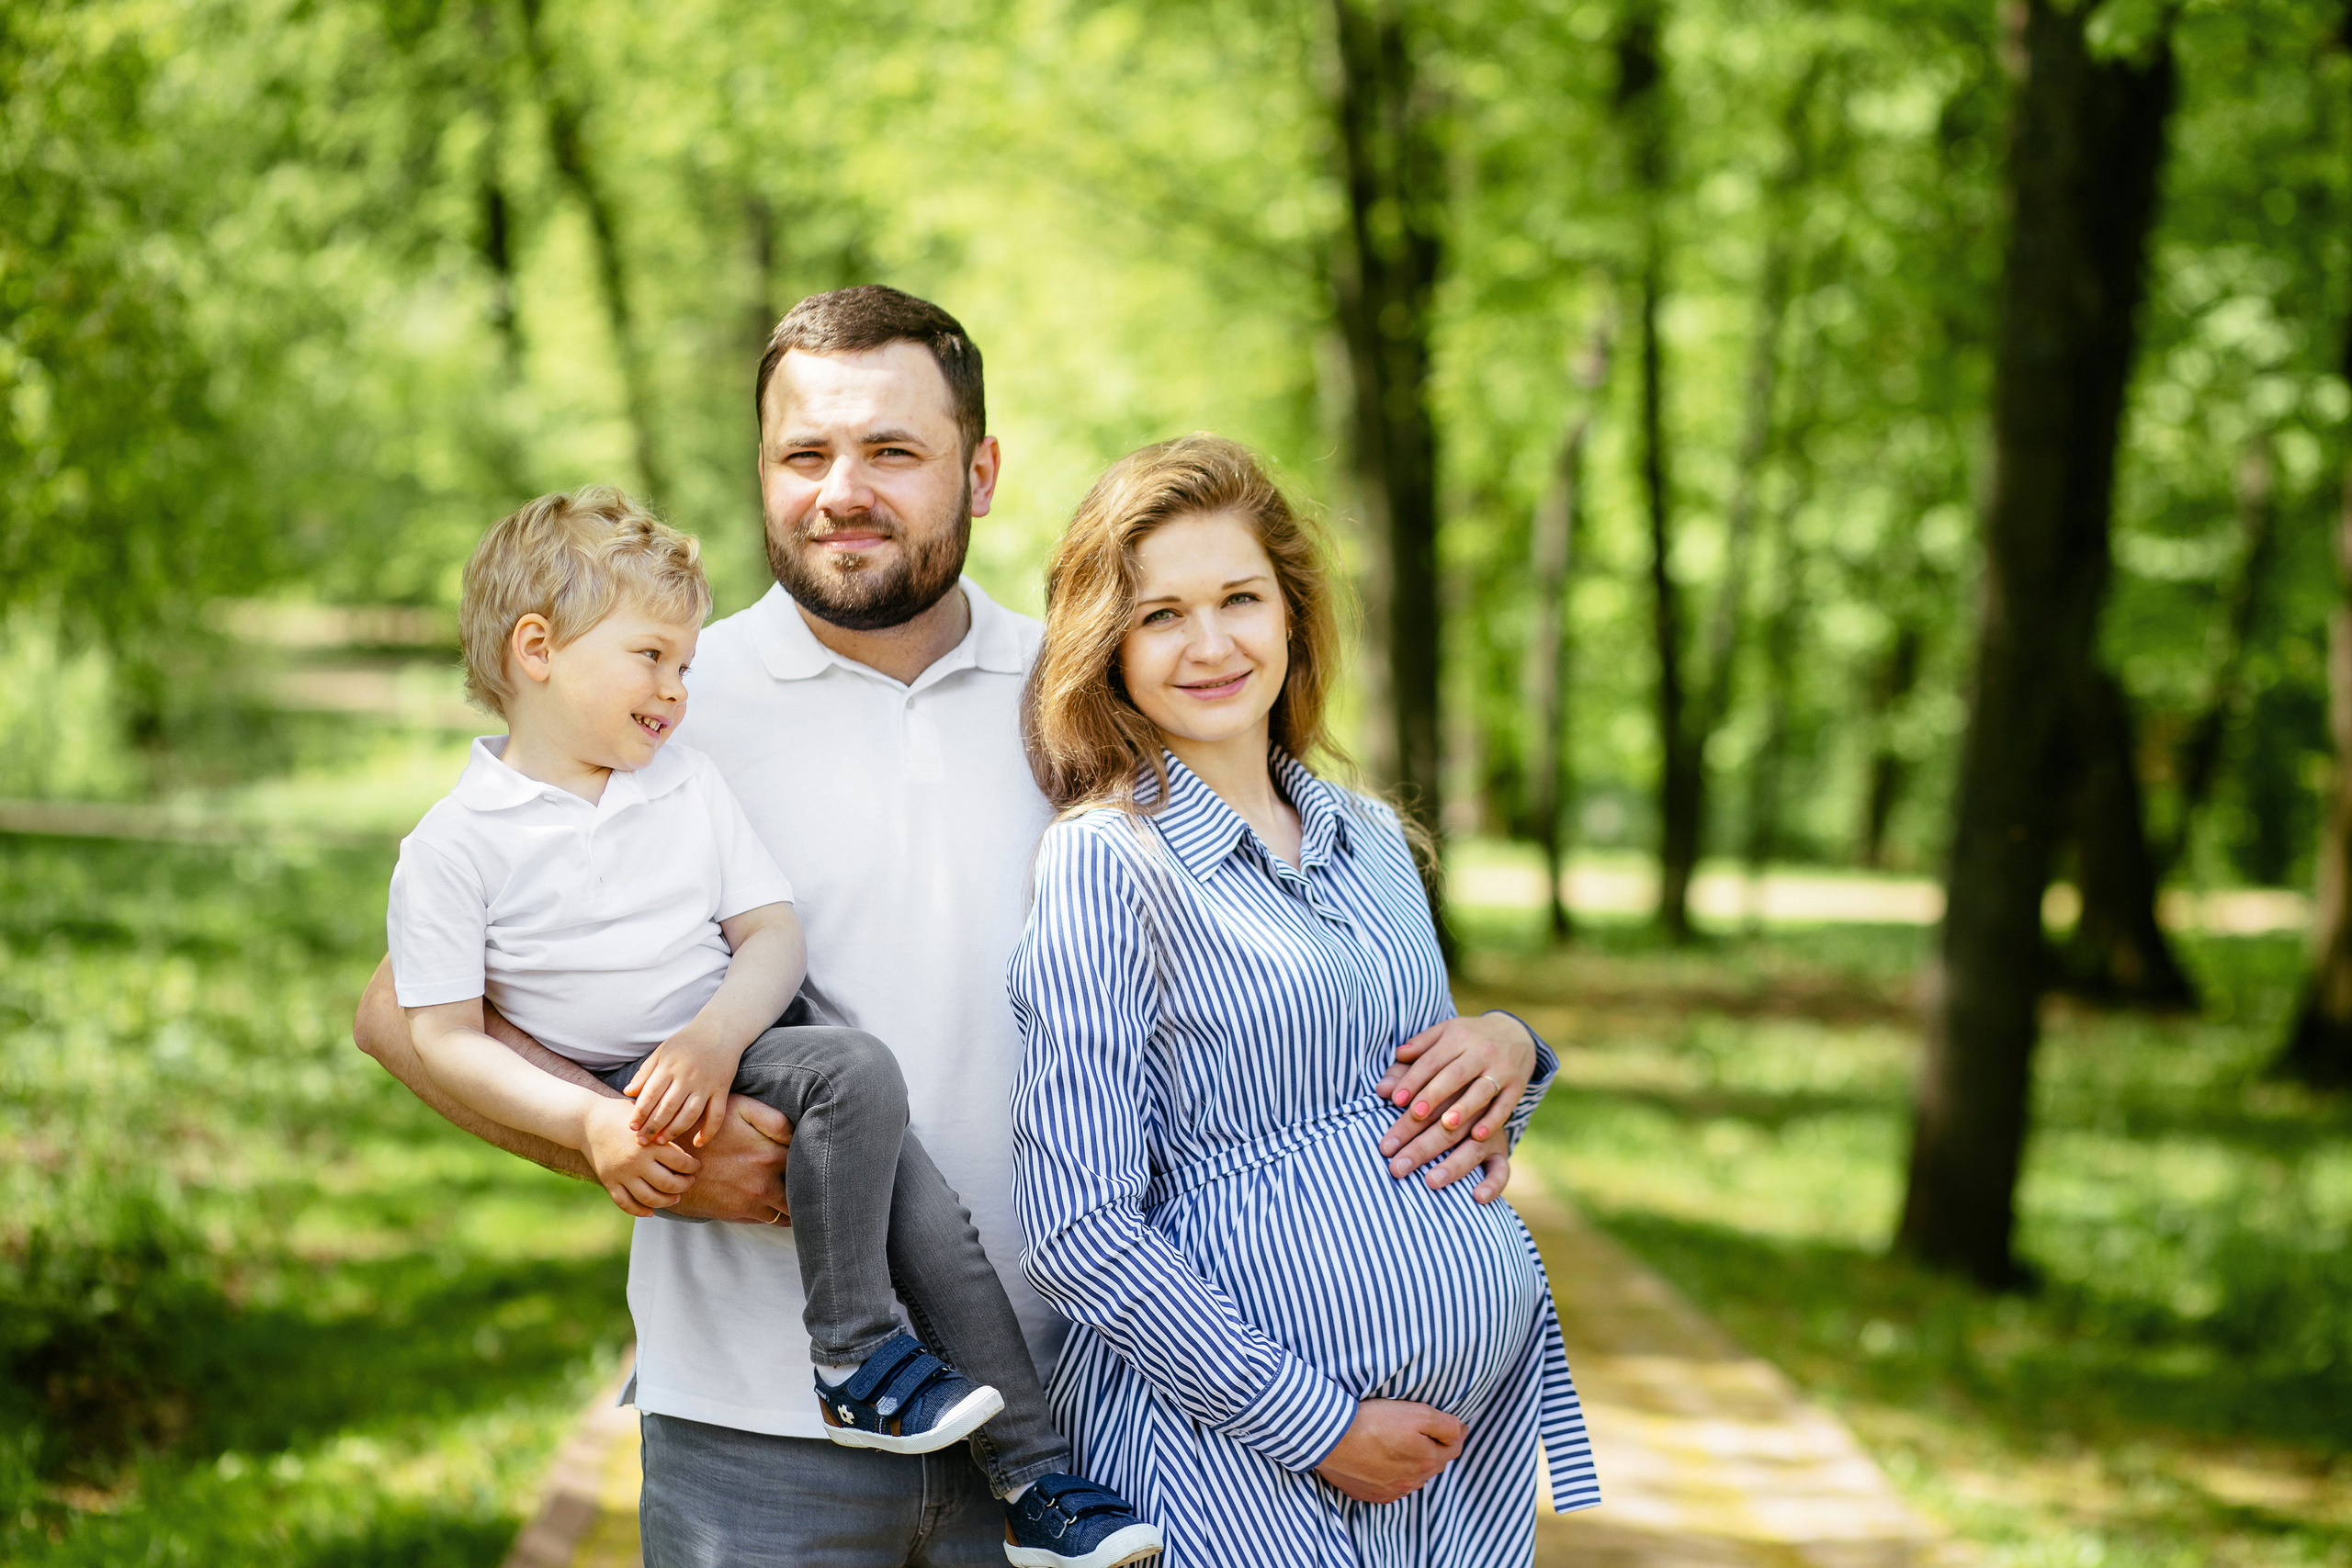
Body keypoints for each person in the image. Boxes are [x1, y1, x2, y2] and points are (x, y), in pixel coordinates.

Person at [353, 287, 1523, 1566]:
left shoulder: (1087, 695)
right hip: (755, 1422)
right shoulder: (659, 698)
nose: (840, 490)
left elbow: (1287, 923)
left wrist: (1506, 1042)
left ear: (981, 470)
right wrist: (617, 1141)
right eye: (804, 454)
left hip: (1067, 1422)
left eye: (892, 453)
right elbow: (404, 1010)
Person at [381, 485, 1161, 1568]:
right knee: (875, 1116)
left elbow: (770, 938)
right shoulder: (456, 844)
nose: (676, 690)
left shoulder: (681, 785)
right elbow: (435, 1032)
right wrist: (591, 1127)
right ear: (536, 649)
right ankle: (855, 1351)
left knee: (938, 1230)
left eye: (685, 666)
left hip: (746, 1035)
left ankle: (1033, 1481)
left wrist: (710, 1039)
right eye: (651, 658)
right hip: (629, 1103)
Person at [1008, 434, 1603, 1567]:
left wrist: (1512, 1050)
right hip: (1228, 1459)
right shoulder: (1107, 863)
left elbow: (1414, 1103)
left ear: (1292, 613)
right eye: (1161, 615)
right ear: (1108, 647)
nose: (1213, 643)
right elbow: (1077, 1231)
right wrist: (1318, 1427)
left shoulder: (1372, 838)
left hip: (1450, 1470)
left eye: (1240, 597)